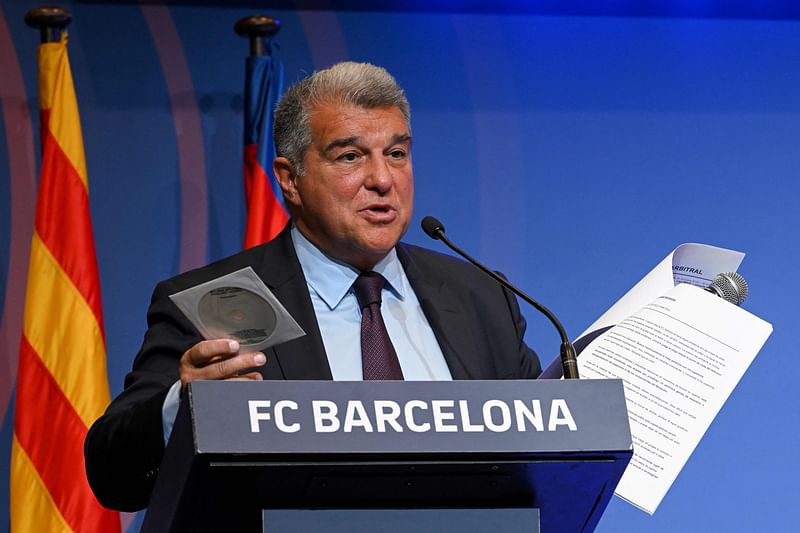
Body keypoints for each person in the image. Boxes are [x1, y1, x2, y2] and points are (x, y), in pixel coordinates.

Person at [85, 62, 541, 522]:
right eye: (350, 157)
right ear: (289, 178)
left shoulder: (481, 297)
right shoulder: (213, 304)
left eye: (397, 153)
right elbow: (112, 474)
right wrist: (184, 408)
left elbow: (541, 462)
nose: (382, 179)